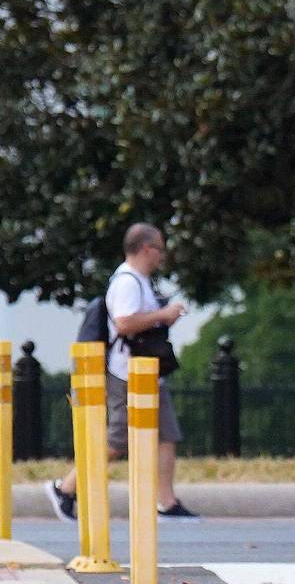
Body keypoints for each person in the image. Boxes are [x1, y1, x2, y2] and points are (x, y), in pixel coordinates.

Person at [44, 223, 194, 521]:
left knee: (167, 435)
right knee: (118, 440)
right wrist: (163, 315)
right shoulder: (127, 282)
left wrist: (162, 318)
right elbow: (125, 323)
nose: (162, 256)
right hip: (128, 374)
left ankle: (166, 501)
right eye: (160, 249)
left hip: (149, 372)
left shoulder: (140, 282)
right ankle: (65, 488)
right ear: (146, 248)